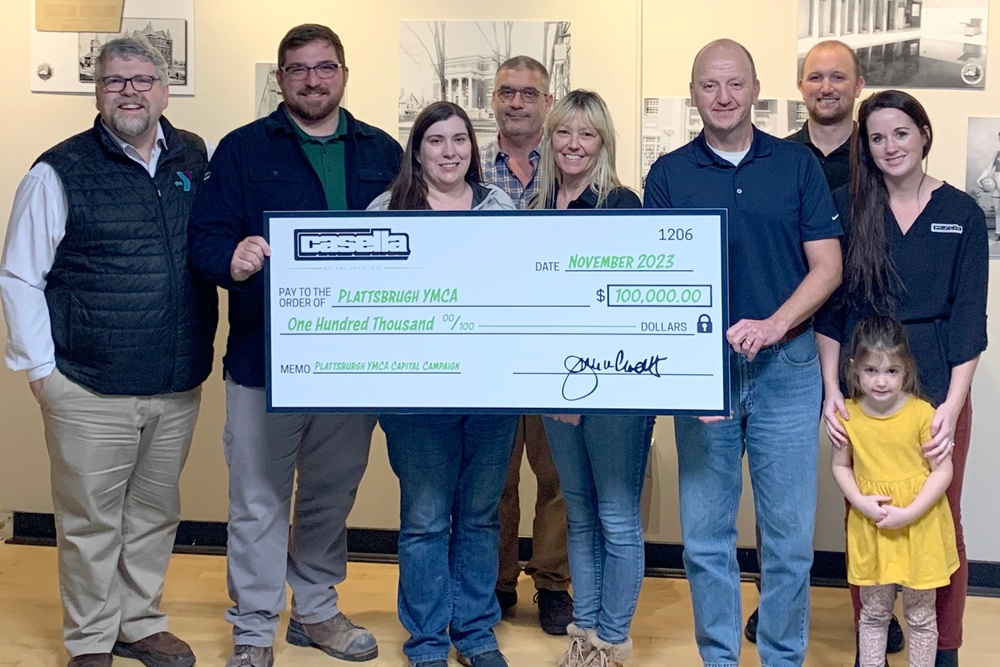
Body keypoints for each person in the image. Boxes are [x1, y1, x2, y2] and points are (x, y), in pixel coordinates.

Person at [187, 24, 401, 667]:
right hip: (263, 362)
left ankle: (314, 611)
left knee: (332, 494)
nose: (313, 80)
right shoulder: (243, 151)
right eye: (299, 69)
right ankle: (253, 630)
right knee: (257, 499)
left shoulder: (383, 152)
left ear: (344, 73)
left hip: (353, 363)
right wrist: (235, 256)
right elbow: (205, 243)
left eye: (325, 67)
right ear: (280, 79)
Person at [0, 35, 216, 667]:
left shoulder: (193, 155)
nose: (130, 90)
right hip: (87, 383)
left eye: (142, 79)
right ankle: (91, 641)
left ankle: (138, 622)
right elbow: (19, 276)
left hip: (175, 381)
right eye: (116, 80)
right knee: (91, 524)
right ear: (97, 92)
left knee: (153, 515)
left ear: (164, 88)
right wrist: (41, 371)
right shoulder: (58, 169)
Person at [644, 39, 843, 666]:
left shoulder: (797, 166)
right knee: (706, 539)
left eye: (734, 85)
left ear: (755, 89)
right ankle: (720, 659)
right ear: (694, 93)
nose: (723, 98)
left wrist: (774, 324)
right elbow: (658, 282)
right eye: (709, 86)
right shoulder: (669, 174)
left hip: (787, 368)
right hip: (708, 377)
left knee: (788, 541)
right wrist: (690, 374)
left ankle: (782, 657)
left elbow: (828, 266)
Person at [815, 89, 988, 667]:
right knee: (865, 509)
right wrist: (832, 392)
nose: (890, 146)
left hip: (940, 387)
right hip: (865, 390)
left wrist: (952, 405)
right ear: (865, 146)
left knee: (942, 520)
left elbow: (969, 318)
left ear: (924, 134)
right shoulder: (846, 206)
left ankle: (943, 647)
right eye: (877, 137)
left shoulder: (962, 212)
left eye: (900, 133)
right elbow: (831, 310)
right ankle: (876, 639)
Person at [743, 38, 903, 652]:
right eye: (816, 78)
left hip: (868, 344)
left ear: (858, 84)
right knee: (778, 485)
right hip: (791, 344)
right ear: (800, 86)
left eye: (839, 77)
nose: (827, 87)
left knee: (877, 475)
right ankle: (775, 603)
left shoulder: (881, 156)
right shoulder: (777, 159)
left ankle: (879, 607)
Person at [367, 101, 518, 667]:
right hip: (414, 401)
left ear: (472, 150)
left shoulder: (500, 208)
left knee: (480, 517)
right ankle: (428, 639)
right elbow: (367, 305)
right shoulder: (387, 209)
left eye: (459, 140)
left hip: (490, 395)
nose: (449, 152)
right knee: (426, 520)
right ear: (417, 150)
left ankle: (475, 632)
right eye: (436, 141)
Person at [528, 89, 653, 667]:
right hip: (554, 386)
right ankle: (584, 633)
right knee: (578, 512)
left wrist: (587, 382)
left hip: (614, 387)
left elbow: (629, 309)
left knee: (617, 515)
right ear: (550, 138)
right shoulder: (534, 208)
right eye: (565, 133)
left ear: (602, 143)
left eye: (588, 135)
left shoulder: (621, 204)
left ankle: (612, 639)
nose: (574, 145)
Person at [480, 55, 574, 635]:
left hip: (552, 344)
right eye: (506, 93)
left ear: (547, 100)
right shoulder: (465, 162)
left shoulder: (566, 166)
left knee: (557, 473)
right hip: (486, 346)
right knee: (494, 475)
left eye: (529, 94)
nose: (516, 103)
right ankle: (495, 582)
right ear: (493, 100)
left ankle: (553, 584)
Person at [831, 316, 958, 667]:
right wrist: (859, 502)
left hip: (919, 528)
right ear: (855, 369)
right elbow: (841, 466)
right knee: (873, 615)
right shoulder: (848, 416)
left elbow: (942, 471)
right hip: (873, 528)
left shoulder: (922, 414)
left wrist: (910, 512)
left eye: (891, 371)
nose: (881, 381)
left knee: (920, 616)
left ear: (906, 370)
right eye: (871, 370)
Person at [974, 130, 1000, 239]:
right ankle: (998, 232)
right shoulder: (996, 153)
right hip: (997, 180)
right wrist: (979, 179)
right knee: (998, 210)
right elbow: (989, 168)